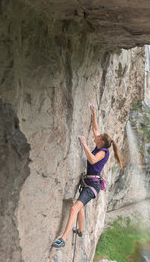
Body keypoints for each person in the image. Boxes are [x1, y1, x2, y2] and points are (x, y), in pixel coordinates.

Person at [52, 104, 123, 248]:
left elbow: (92, 160)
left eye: (99, 137)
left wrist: (84, 144)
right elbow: (95, 129)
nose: (96, 137)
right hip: (89, 182)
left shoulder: (103, 152)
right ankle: (80, 230)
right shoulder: (99, 145)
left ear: (102, 142)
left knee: (74, 208)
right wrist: (94, 114)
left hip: (93, 185)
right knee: (81, 206)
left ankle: (63, 240)